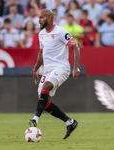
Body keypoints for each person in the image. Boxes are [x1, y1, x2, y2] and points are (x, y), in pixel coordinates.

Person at [28, 9, 80, 139]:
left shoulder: (61, 32)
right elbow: (41, 55)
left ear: (49, 18)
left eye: (41, 18)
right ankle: (70, 122)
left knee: (46, 87)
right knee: (44, 101)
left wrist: (76, 67)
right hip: (48, 70)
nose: (39, 20)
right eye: (38, 18)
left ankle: (35, 119)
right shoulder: (41, 34)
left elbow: (75, 47)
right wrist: (35, 69)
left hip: (62, 67)